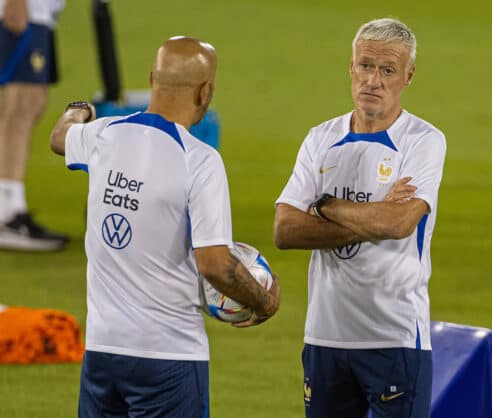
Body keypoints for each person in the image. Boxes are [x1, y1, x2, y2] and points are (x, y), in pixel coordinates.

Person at [49, 36, 280, 417]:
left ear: (153, 78)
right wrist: (263, 301)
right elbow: (215, 265)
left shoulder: (104, 134)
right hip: (168, 359)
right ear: (205, 92)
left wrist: (77, 111)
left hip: (102, 354)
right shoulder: (200, 161)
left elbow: (59, 138)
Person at [274, 18, 446, 418]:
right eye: (365, 66)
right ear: (350, 68)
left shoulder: (423, 141)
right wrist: (374, 214)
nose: (374, 80)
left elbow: (398, 224)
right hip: (325, 337)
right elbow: (285, 229)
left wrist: (325, 204)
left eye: (387, 70)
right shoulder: (321, 138)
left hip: (396, 337)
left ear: (408, 76)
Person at [0, 0, 69, 251]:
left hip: (41, 12)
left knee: (30, 100)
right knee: (21, 103)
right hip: (27, 10)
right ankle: (7, 214)